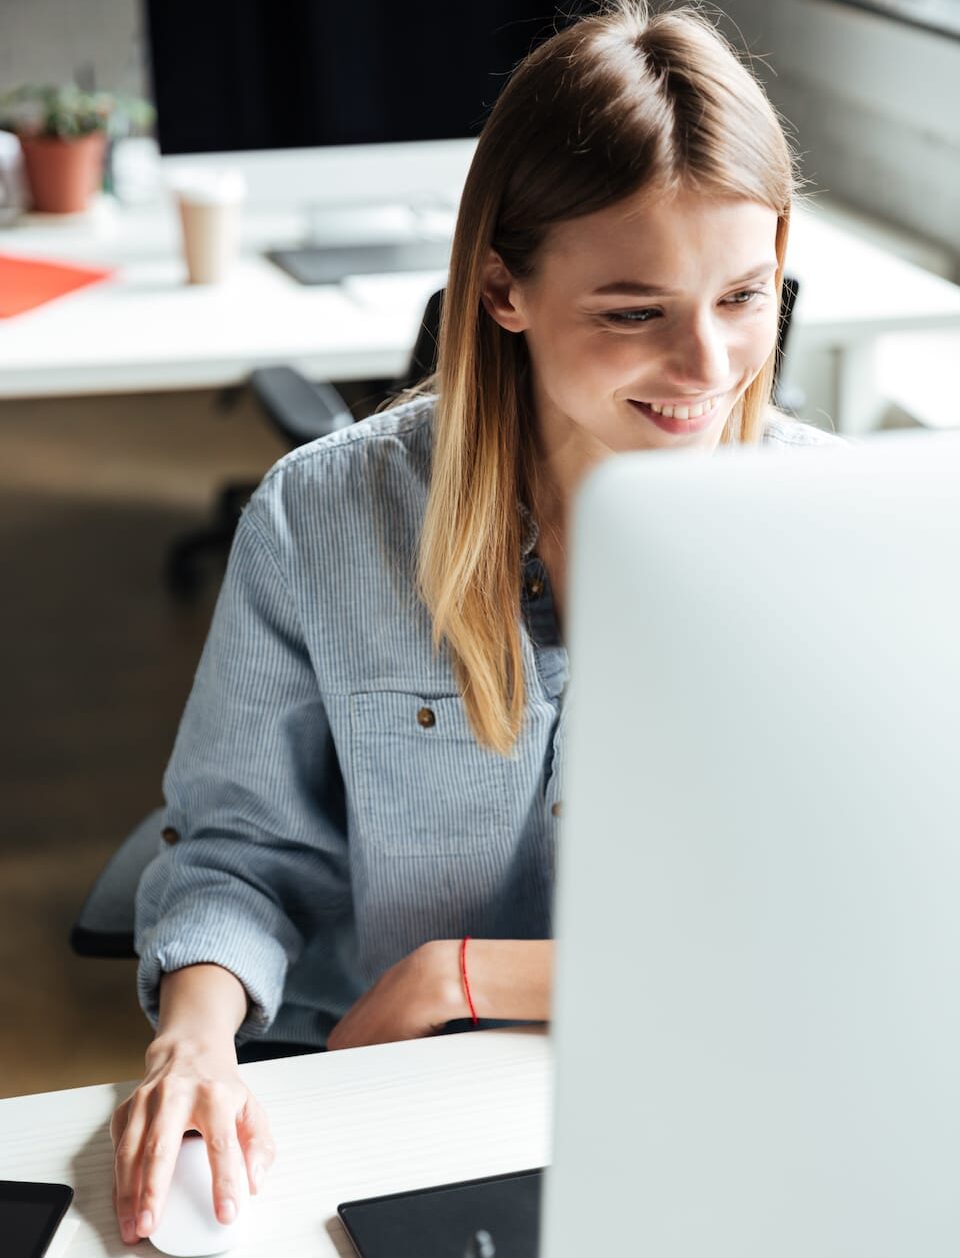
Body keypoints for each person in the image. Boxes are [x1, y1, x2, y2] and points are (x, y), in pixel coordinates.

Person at [111, 0, 842, 1245]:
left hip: (694, 1085)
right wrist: (194, 1026)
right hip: (375, 1090)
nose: (710, 365)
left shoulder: (837, 534)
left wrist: (467, 973)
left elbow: (840, 929)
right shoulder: (325, 519)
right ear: (502, 287)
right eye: (633, 311)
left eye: (746, 296)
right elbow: (242, 855)